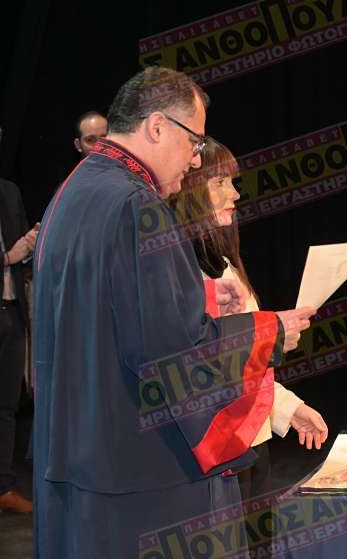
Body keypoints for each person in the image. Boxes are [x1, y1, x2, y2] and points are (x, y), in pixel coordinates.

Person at [31, 67, 321, 556]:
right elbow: (172, 353)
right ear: (157, 126)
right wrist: (269, 331)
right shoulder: (138, 205)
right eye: (195, 141)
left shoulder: (74, 191)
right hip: (143, 470)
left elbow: (98, 311)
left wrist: (199, 298)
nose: (196, 158)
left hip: (76, 453)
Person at [172, 136, 328, 502]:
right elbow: (202, 371)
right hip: (217, 453)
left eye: (232, 182)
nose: (235, 194)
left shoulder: (224, 265)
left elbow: (246, 370)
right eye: (220, 183)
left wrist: (289, 409)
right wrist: (272, 335)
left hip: (251, 442)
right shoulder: (181, 273)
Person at [0, 176, 39, 514]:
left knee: (7, 404)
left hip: (12, 312)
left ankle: (2, 486)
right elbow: (10, 255)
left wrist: (31, 243)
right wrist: (8, 257)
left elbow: (21, 251)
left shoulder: (9, 191)